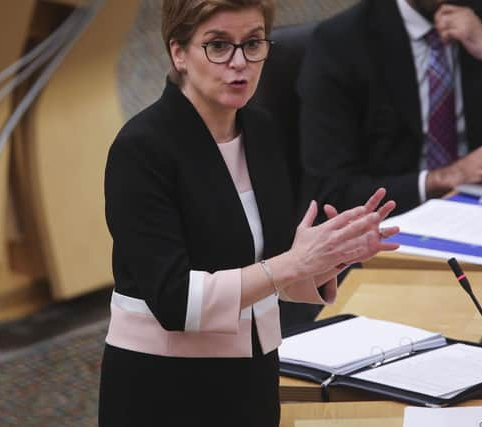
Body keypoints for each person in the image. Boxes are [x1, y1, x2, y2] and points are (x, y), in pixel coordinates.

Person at [98, 1, 400, 426]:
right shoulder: (142, 149)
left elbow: (269, 270)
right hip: (165, 389)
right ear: (178, 53)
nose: (239, 63)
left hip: (252, 378)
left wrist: (327, 256)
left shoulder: (260, 131)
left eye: (253, 43)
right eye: (218, 46)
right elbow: (175, 300)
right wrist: (290, 264)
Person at [298, 0, 482, 215]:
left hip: (479, 213)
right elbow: (332, 192)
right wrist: (440, 179)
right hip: (387, 225)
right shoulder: (341, 42)